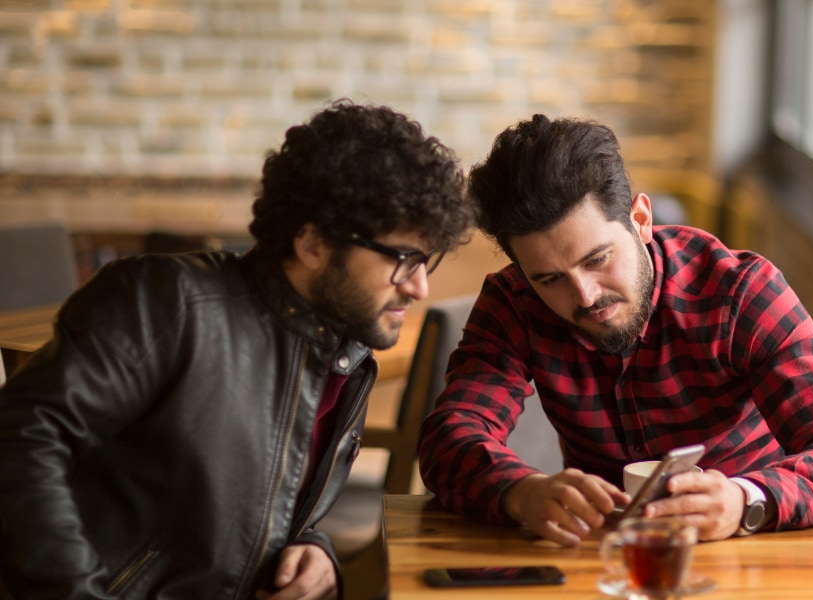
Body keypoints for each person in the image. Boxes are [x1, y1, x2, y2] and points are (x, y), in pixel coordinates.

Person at [0, 100, 475, 599]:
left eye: (428, 259)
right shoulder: (170, 302)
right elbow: (20, 441)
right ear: (312, 244)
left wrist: (315, 550)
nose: (420, 287)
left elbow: (277, 499)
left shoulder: (346, 356)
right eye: (403, 259)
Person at [417, 114, 813, 548]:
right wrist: (522, 492)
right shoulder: (514, 302)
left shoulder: (741, 293)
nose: (584, 296)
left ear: (641, 220)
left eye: (597, 259)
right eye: (550, 279)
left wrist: (746, 500)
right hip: (605, 560)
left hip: (753, 549)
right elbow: (449, 439)